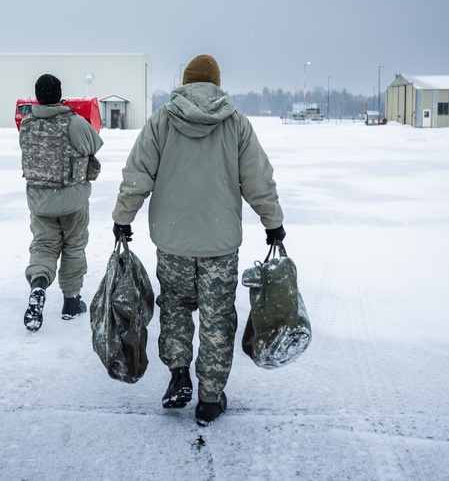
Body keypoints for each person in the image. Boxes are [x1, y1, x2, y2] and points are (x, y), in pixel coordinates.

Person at [111, 54, 285, 426]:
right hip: (219, 241)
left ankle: (178, 374)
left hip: (172, 238)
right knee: (217, 315)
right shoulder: (236, 123)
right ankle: (209, 397)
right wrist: (273, 222)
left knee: (174, 304)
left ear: (186, 82)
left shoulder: (162, 120)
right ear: (217, 84)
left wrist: (122, 218)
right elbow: (257, 180)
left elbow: (137, 174)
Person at [20, 73, 104, 332]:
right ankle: (71, 302)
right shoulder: (74, 122)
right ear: (59, 95)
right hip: (72, 200)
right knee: (74, 248)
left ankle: (38, 285)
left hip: (40, 201)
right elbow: (94, 145)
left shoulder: (27, 124)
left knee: (44, 247)